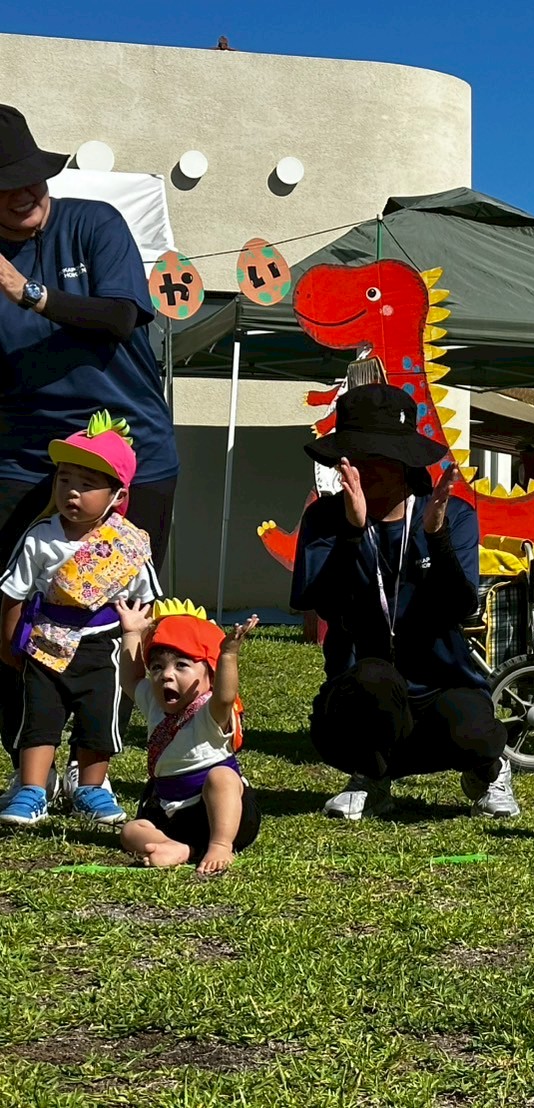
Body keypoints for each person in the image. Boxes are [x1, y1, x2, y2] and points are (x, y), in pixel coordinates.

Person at [0, 105, 178, 798]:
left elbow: (120, 316)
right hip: (26, 456)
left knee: (123, 609)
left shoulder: (92, 223)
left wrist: (28, 292)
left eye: (30, 176)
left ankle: (96, 767)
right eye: (5, 183)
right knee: (17, 603)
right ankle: (31, 766)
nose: (23, 191)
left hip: (133, 453)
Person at [291, 384, 517, 821]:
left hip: (440, 687)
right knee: (372, 679)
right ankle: (370, 778)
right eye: (355, 456)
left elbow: (460, 607)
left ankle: (489, 770)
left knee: (472, 726)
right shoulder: (325, 518)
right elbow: (318, 600)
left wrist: (437, 539)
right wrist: (352, 534)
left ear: (405, 461)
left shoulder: (451, 515)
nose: (364, 468)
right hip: (362, 690)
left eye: (379, 456)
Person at [0, 412, 160, 826]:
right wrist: (8, 642)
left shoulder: (128, 543)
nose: (71, 491)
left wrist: (140, 645)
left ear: (117, 495)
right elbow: (14, 593)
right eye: (65, 479)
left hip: (103, 646)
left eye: (86, 484)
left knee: (97, 720)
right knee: (39, 717)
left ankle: (91, 788)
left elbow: (145, 601)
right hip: (44, 642)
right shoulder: (40, 536)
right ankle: (33, 788)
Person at [116, 599, 260, 874]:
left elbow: (226, 695)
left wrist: (228, 655)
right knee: (132, 831)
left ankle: (219, 845)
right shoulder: (155, 703)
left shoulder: (210, 711)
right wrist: (132, 633)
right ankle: (180, 848)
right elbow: (130, 679)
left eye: (181, 665)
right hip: (170, 814)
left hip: (223, 816)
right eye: (157, 667)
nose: (166, 676)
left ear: (210, 673)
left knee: (222, 777)